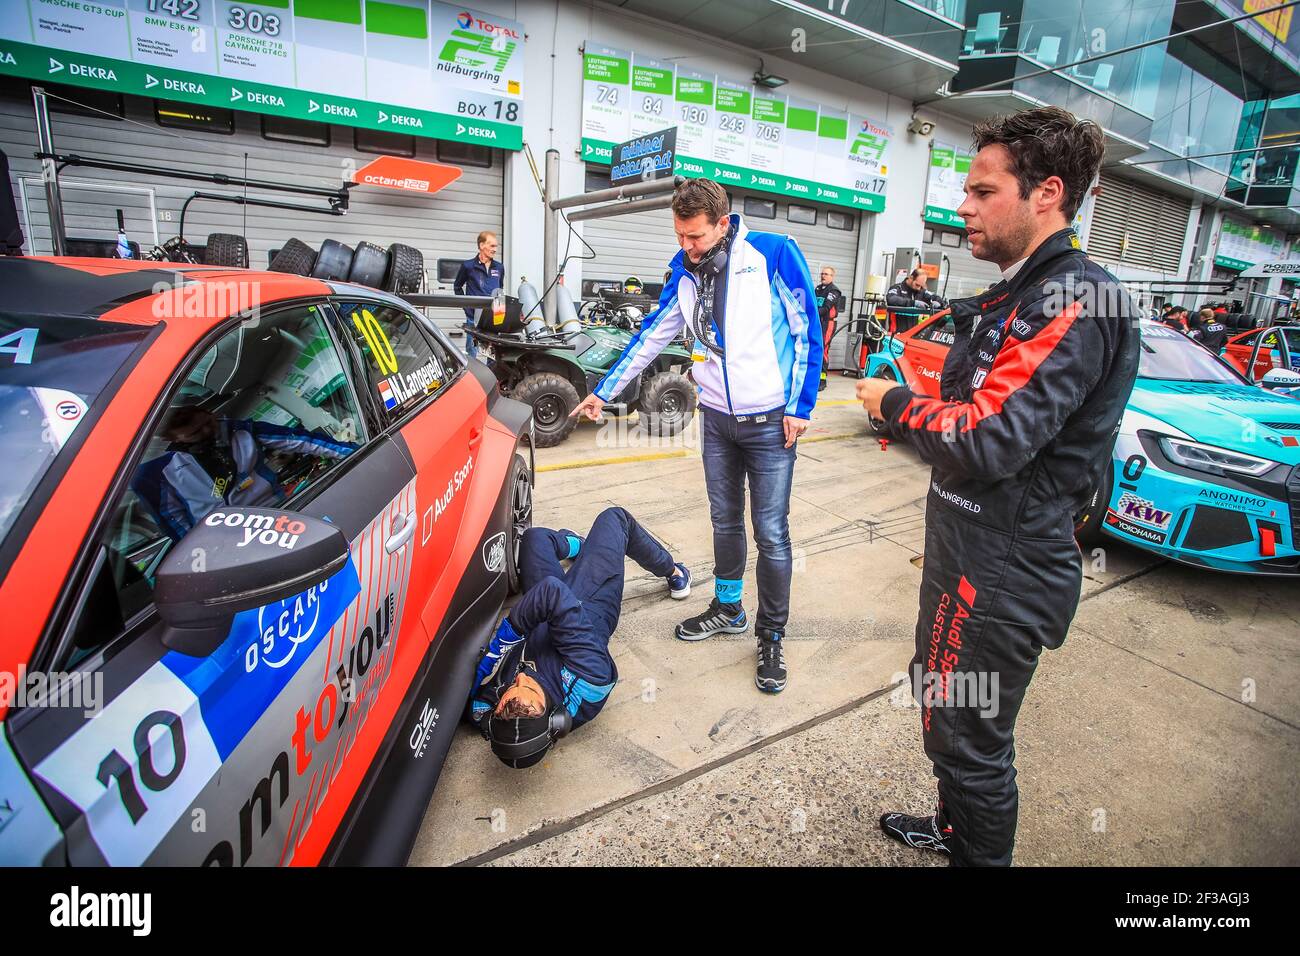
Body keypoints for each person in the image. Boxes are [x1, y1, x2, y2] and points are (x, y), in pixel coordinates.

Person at [856, 106, 1139, 866]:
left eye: (983, 192)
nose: (964, 207)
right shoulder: (1020, 291)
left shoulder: (1074, 297)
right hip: (964, 551)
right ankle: (954, 832)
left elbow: (988, 436)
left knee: (971, 741)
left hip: (1005, 569)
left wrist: (894, 406)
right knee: (941, 708)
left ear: (1046, 193)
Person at [571, 178, 822, 694]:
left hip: (772, 422)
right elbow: (651, 335)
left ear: (724, 225)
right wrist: (604, 391)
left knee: (771, 533)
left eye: (696, 237)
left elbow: (806, 329)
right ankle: (728, 607)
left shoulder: (773, 253)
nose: (687, 246)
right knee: (723, 520)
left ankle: (771, 634)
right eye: (680, 235)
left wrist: (800, 406)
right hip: (717, 421)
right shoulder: (683, 272)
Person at [468, 508, 692, 768]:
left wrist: (479, 711)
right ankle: (674, 572)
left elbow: (476, 710)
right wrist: (501, 644)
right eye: (529, 690)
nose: (518, 679)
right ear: (557, 719)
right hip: (590, 601)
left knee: (534, 539)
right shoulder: (590, 677)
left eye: (509, 694)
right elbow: (552, 594)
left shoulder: (502, 709)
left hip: (543, 613)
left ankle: (580, 546)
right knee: (615, 519)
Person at [133, 406, 357, 541]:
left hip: (279, 517)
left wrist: (355, 453)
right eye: (195, 433)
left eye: (208, 423)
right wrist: (200, 549)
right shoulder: (159, 473)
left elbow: (301, 441)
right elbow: (175, 522)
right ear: (172, 439)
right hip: (224, 542)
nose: (208, 431)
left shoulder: (242, 431)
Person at [453, 230, 503, 360]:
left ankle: (493, 377)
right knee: (472, 351)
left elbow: (499, 290)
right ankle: (473, 376)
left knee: (493, 352)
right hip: (473, 318)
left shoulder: (499, 267)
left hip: (493, 317)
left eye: (496, 246)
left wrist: (500, 313)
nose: (495, 249)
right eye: (492, 246)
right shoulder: (468, 266)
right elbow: (457, 287)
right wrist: (467, 308)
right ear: (481, 246)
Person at [815, 266, 844, 392]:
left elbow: (826, 308)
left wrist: (812, 314)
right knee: (815, 349)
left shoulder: (834, 291)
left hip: (828, 324)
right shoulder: (817, 289)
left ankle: (822, 380)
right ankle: (815, 378)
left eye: (826, 274)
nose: (823, 276)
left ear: (832, 276)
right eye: (822, 273)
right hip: (817, 322)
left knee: (823, 350)